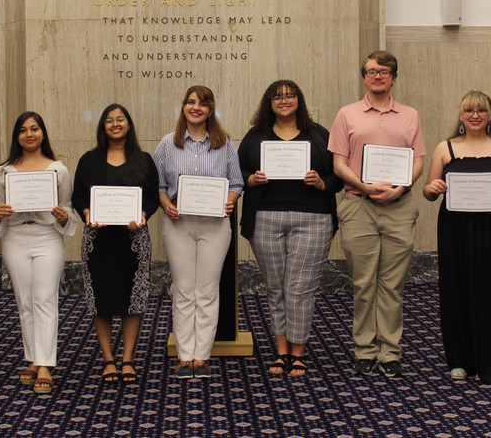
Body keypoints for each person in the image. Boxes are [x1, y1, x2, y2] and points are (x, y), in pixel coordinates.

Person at [328, 51, 426, 378]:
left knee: (393, 283)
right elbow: (338, 164)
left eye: (384, 71)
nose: (377, 76)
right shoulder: (347, 115)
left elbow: (418, 162)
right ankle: (365, 350)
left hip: (399, 206)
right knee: (363, 282)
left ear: (394, 77)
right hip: (358, 205)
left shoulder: (410, 115)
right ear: (364, 77)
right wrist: (364, 185)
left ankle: (391, 351)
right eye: (371, 71)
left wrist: (400, 187)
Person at [238, 80, 342, 377]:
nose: (284, 100)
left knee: (299, 288)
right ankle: (281, 350)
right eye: (277, 96)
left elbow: (338, 174)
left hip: (313, 218)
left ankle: (299, 351)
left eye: (290, 95)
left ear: (300, 99)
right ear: (268, 103)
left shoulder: (319, 135)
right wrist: (251, 180)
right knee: (275, 287)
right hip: (265, 218)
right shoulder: (256, 136)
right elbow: (238, 171)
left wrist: (323, 183)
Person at [422, 90, 491, 384]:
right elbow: (428, 190)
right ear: (461, 115)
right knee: (456, 290)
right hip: (454, 228)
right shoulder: (445, 148)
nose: (475, 115)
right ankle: (460, 360)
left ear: (490, 114)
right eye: (469, 110)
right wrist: (435, 187)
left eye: (481, 110)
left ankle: (490, 360)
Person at [154, 85, 243, 379]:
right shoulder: (169, 143)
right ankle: (184, 356)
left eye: (203, 104)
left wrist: (229, 203)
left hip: (215, 226)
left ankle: (201, 357)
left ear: (210, 110)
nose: (196, 107)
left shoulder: (224, 144)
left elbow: (237, 184)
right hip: (178, 223)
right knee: (182, 290)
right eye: (191, 102)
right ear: (183, 107)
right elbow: (158, 186)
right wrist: (166, 205)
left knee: (206, 291)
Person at [0, 111, 75, 393]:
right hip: (15, 237)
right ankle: (32, 358)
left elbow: (68, 211)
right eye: (23, 130)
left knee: (45, 300)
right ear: (17, 137)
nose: (29, 134)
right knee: (24, 301)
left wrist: (64, 217)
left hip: (47, 237)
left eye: (34, 129)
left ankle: (45, 365)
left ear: (42, 133)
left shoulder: (58, 170)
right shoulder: (4, 171)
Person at [72, 104, 159, 384]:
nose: (115, 124)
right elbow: (78, 196)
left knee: (132, 300)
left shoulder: (143, 159)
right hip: (98, 241)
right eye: (109, 120)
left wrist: (144, 213)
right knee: (101, 301)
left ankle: (128, 358)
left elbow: (154, 196)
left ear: (129, 124)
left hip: (133, 241)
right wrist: (86, 213)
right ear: (103, 126)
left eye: (120, 119)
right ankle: (109, 358)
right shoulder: (89, 160)